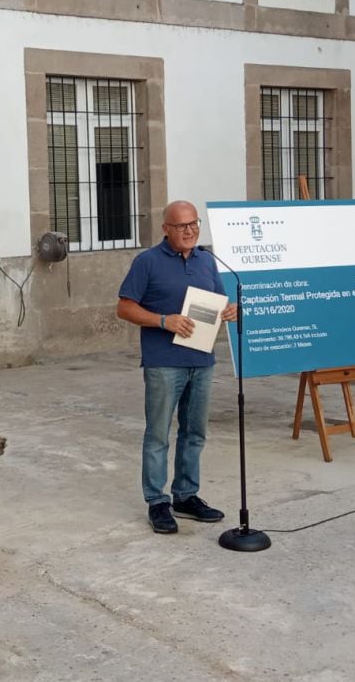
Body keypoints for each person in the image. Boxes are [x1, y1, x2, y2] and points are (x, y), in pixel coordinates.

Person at [116, 200, 238, 534]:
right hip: (163, 363)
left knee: (194, 433)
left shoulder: (207, 261)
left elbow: (220, 301)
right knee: (158, 434)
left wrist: (231, 310)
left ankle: (186, 496)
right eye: (182, 226)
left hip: (201, 359)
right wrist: (163, 320)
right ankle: (158, 502)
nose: (190, 231)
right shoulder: (147, 263)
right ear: (166, 229)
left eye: (194, 224)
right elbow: (124, 308)